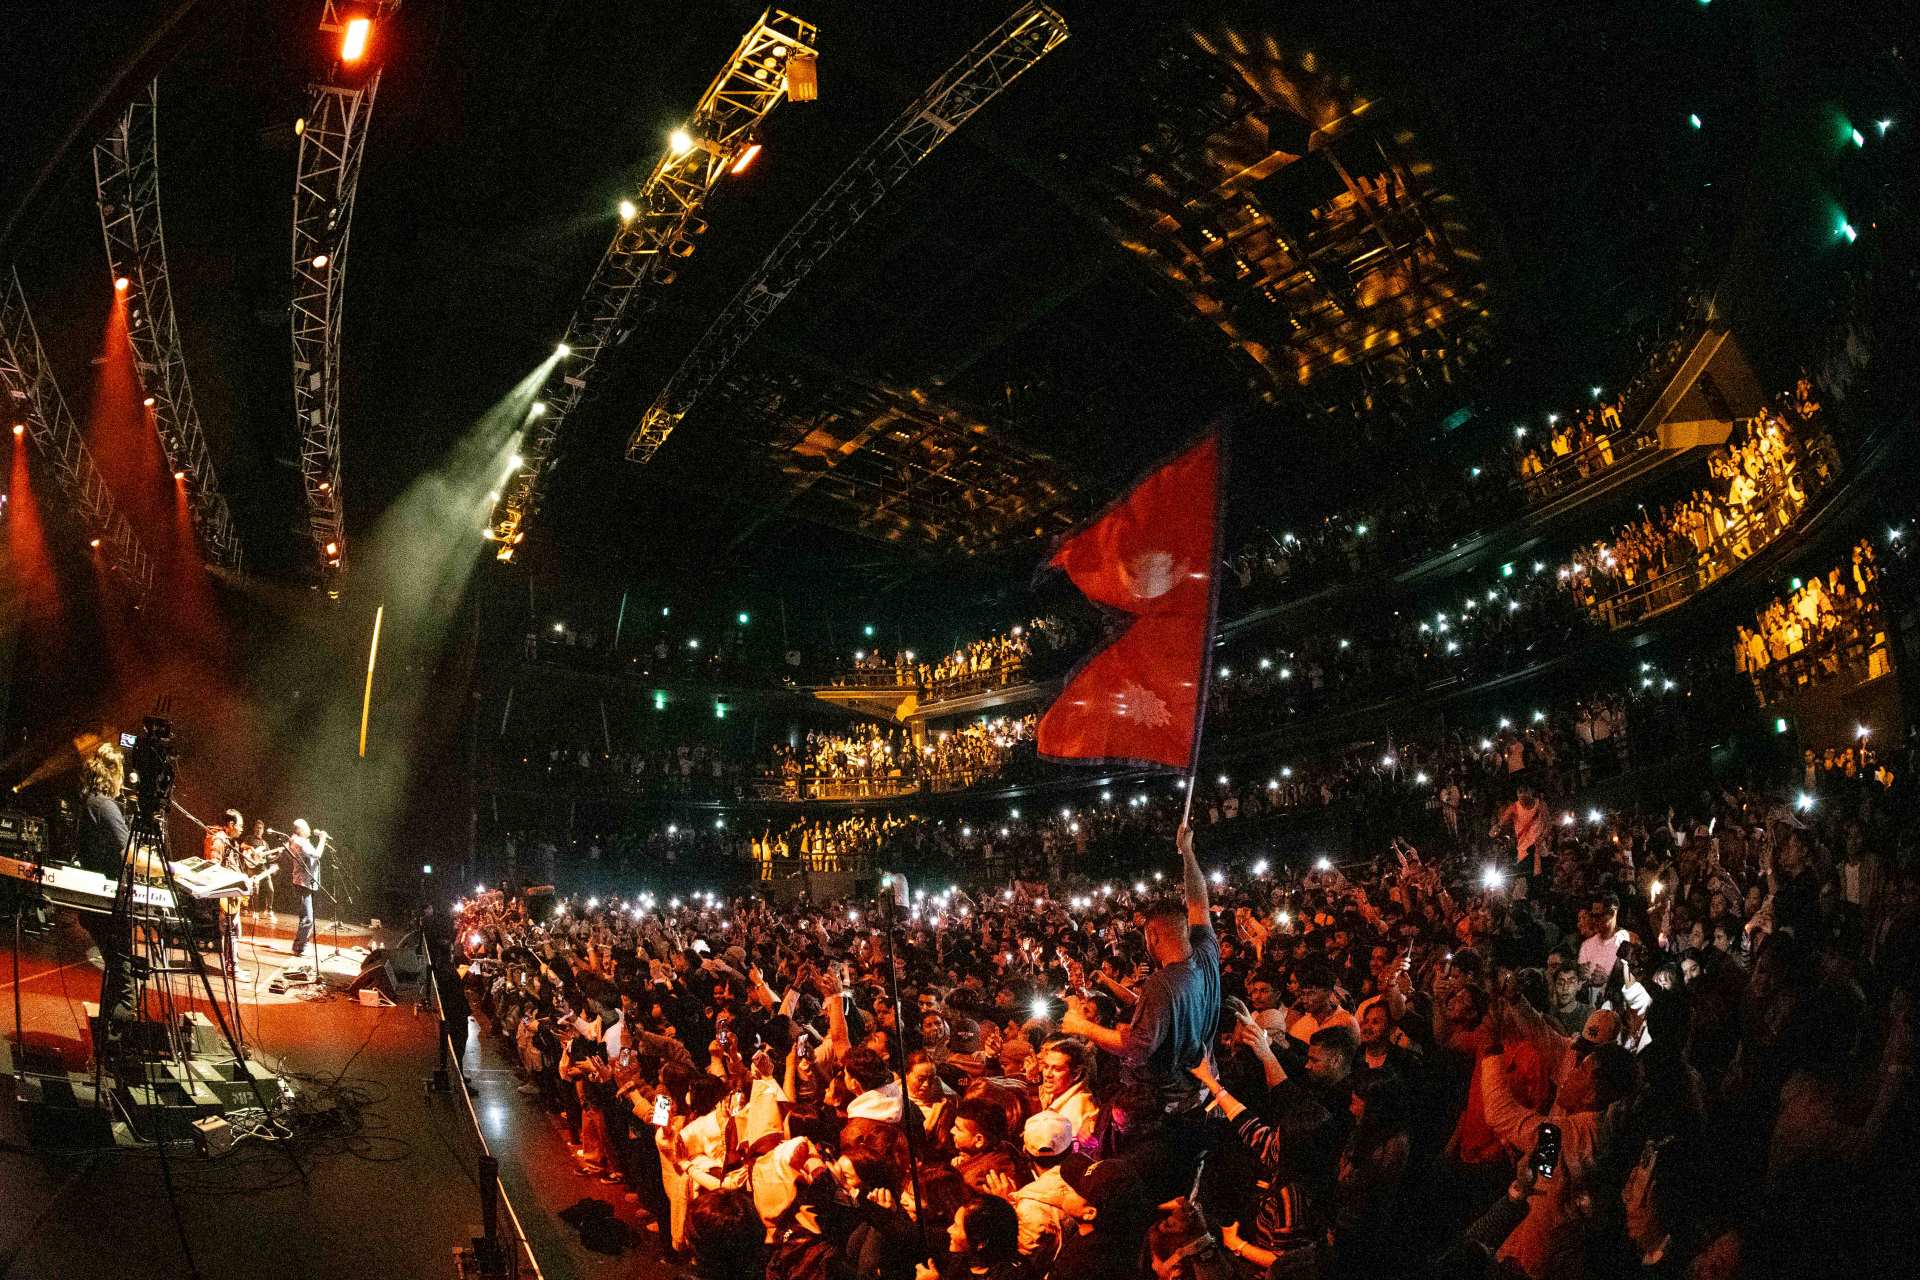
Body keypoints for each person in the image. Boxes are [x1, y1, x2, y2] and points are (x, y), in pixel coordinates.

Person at [1059, 821, 1219, 1201]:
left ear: (1152, 937)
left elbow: (1137, 1046)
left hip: (1164, 1115)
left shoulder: (1161, 984)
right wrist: (1188, 854)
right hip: (1200, 1097)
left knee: (1145, 1190)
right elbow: (1200, 902)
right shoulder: (1208, 954)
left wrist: (1082, 1026)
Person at [286, 818, 328, 961]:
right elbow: (316, 854)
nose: (310, 829)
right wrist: (322, 839)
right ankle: (298, 948)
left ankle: (301, 945)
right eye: (306, 827)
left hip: (306, 882)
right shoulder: (299, 842)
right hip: (302, 883)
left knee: (306, 917)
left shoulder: (300, 841)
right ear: (299, 829)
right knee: (307, 918)